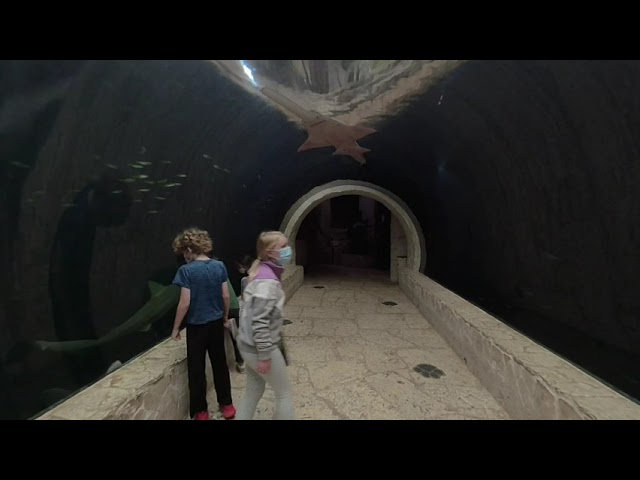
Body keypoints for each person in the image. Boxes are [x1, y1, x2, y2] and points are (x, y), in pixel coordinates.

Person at [170, 227, 236, 420]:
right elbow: (225, 295)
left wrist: (175, 328)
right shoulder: (219, 266)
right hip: (216, 323)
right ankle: (227, 405)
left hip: (196, 327)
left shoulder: (186, 271)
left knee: (196, 369)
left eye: (183, 252)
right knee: (220, 365)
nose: (183, 256)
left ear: (189, 249)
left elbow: (185, 303)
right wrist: (224, 317)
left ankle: (201, 412)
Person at [236, 231, 295, 420]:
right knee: (284, 394)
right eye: (283, 246)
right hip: (260, 348)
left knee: (253, 391)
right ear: (270, 252)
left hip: (246, 345)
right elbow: (260, 322)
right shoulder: (267, 281)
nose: (288, 250)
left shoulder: (260, 272)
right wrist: (264, 355)